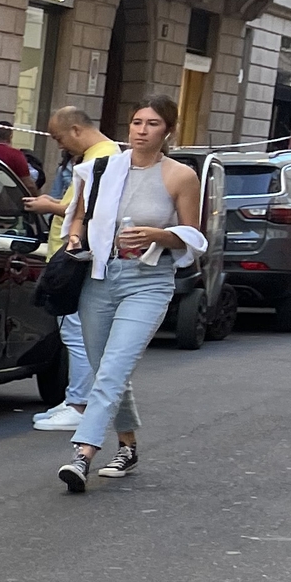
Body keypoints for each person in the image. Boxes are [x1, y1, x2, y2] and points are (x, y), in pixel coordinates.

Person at [57, 95, 205, 491]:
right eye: (137, 122)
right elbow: (78, 219)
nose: (142, 130)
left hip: (149, 280)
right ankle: (128, 445)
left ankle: (82, 454)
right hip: (99, 278)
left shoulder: (180, 176)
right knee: (103, 365)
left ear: (167, 130)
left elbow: (194, 236)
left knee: (112, 369)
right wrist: (74, 240)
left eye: (152, 123)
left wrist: (159, 234)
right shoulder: (101, 168)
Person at [29, 104, 118, 435]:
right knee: (77, 333)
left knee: (76, 334)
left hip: (77, 258)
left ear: (77, 130)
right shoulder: (101, 154)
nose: (59, 145)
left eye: (59, 137)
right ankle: (75, 400)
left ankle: (79, 404)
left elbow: (90, 207)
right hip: (76, 255)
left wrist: (48, 206)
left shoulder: (101, 157)